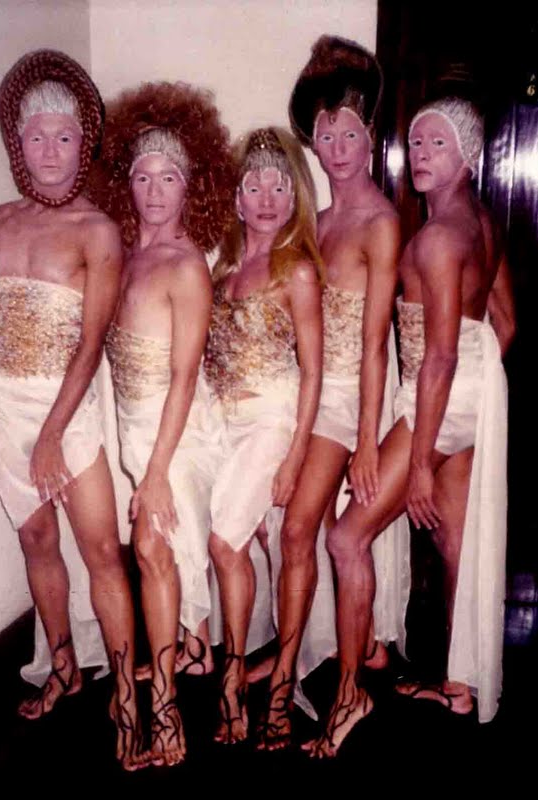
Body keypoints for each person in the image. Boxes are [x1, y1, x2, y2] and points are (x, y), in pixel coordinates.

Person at [305, 95, 515, 757]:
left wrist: (421, 458)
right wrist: (473, 393)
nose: (422, 156)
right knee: (454, 544)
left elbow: (439, 358)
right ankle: (459, 686)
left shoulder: (438, 236)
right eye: (417, 143)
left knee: (346, 538)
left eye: (438, 145)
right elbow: (505, 324)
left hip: (436, 396)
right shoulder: (482, 222)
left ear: (467, 157)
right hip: (471, 394)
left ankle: (349, 697)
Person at [0, 50, 145, 771]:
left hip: (68, 410)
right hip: (5, 405)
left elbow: (92, 343)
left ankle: (127, 700)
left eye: (63, 137)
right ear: (18, 142)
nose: (49, 149)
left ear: (81, 143)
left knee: (100, 551)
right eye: (36, 136)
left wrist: (52, 435)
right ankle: (64, 667)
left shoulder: (98, 231)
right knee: (36, 541)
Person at [251, 35, 411, 751]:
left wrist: (368, 443)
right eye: (325, 133)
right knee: (278, 528)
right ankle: (302, 659)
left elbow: (375, 345)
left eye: (350, 132)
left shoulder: (380, 222)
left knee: (305, 535)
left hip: (353, 398)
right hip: (310, 395)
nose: (338, 147)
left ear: (369, 134)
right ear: (311, 142)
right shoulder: (315, 223)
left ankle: (319, 691)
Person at [93, 81, 235, 765]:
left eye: (169, 177)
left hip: (177, 435)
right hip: (135, 429)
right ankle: (180, 660)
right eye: (143, 176)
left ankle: (166, 710)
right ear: (128, 182)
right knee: (156, 555)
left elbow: (183, 378)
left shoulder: (185, 267)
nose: (154, 190)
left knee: (151, 548)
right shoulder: (124, 256)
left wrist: (153, 474)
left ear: (190, 186)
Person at [204, 126, 324, 744]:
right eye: (255, 186)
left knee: (224, 544)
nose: (268, 199)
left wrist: (295, 455)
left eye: (279, 187)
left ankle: (254, 687)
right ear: (237, 197)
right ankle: (251, 675)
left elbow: (314, 372)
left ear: (294, 195)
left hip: (273, 421)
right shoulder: (223, 269)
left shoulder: (296, 271)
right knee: (238, 545)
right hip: (224, 424)